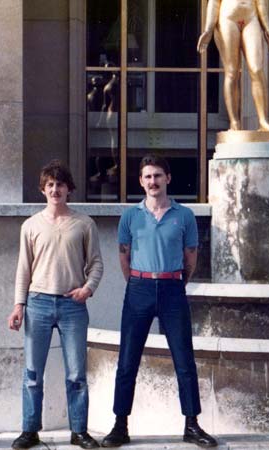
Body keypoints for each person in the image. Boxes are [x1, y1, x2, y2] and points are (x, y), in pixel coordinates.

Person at [101, 155, 217, 448]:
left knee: (184, 360)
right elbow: (123, 256)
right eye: (147, 177)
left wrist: (175, 281)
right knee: (127, 361)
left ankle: (192, 424)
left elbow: (191, 256)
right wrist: (139, 282)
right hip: (138, 288)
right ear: (141, 181)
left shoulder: (184, 215)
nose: (153, 182)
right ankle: (120, 425)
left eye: (158, 176)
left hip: (172, 289)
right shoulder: (130, 216)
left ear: (168, 178)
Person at [7, 160, 103, 449]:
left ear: (68, 189)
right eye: (50, 184)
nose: (55, 189)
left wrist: (88, 289)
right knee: (33, 373)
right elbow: (23, 268)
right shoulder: (31, 225)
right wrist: (18, 305)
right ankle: (29, 430)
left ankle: (79, 431)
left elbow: (96, 263)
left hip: (72, 306)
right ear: (43, 189)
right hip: (37, 303)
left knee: (76, 374)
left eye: (60, 184)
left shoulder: (84, 223)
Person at [197, 0, 269, 132]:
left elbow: (261, 2)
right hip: (228, 17)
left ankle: (263, 121)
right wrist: (208, 29)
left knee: (256, 69)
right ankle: (234, 123)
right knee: (231, 72)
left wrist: (267, 28)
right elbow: (214, 2)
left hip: (251, 16)